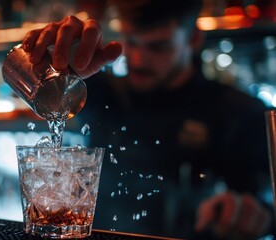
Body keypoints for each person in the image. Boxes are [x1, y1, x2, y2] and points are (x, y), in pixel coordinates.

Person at [21, 0, 274, 239]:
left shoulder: (239, 113)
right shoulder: (100, 94)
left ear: (194, 38)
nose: (139, 60)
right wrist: (43, 59)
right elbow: (36, 90)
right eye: (131, 42)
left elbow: (266, 208)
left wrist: (256, 216)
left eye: (158, 46)